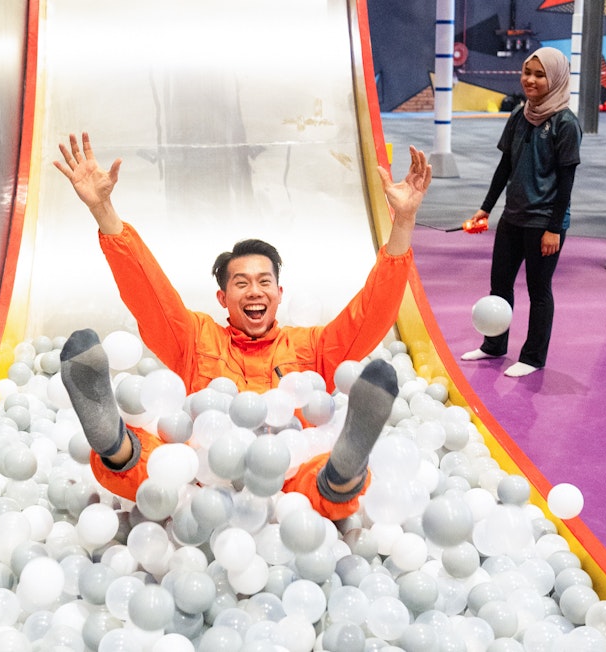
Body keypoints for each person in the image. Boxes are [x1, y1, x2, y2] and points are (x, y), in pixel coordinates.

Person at [52, 132, 432, 519]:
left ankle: (342, 470)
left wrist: (403, 221)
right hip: (200, 479)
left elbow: (370, 315)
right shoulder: (195, 337)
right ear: (222, 299)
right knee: (161, 462)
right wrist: (104, 211)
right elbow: (149, 295)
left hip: (290, 480)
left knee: (316, 470)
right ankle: (114, 442)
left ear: (280, 294)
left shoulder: (313, 346)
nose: (255, 291)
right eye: (241, 283)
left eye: (265, 282)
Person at [461, 47, 581, 378]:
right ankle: (494, 345)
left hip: (544, 222)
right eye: (527, 72)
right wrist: (485, 209)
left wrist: (554, 228)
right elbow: (505, 167)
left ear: (555, 79)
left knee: (538, 290)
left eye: (540, 75)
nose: (530, 79)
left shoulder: (566, 124)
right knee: (499, 284)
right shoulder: (519, 115)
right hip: (512, 218)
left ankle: (532, 356)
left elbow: (567, 182)